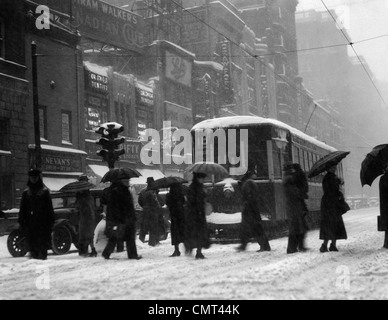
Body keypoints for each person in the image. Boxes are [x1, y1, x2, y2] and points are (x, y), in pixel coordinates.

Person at [18, 168, 55, 260]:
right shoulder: (26, 193)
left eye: (35, 177)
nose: (34, 179)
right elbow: (22, 210)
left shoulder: (44, 192)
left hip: (43, 226)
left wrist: (50, 223)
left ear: (39, 178)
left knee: (42, 251)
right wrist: (22, 223)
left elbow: (49, 209)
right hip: (30, 226)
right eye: (32, 177)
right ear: (29, 178)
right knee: (33, 251)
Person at [102, 176, 141, 260]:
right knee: (129, 237)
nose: (128, 182)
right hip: (125, 218)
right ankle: (132, 255)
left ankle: (106, 252)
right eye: (126, 181)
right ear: (121, 181)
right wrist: (129, 216)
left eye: (128, 181)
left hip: (117, 218)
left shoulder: (113, 190)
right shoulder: (122, 190)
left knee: (115, 236)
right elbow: (126, 205)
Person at [237, 172, 271, 252]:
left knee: (254, 228)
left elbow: (250, 196)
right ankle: (264, 246)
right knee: (253, 228)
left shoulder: (248, 183)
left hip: (250, 210)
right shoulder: (247, 183)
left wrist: (247, 204)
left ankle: (263, 246)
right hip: (252, 209)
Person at [319, 165, 348, 253]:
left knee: (329, 225)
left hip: (328, 204)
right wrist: (339, 191)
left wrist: (338, 182)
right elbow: (332, 191)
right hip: (332, 205)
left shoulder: (328, 178)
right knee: (333, 225)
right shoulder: (330, 178)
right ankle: (329, 245)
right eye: (332, 167)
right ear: (328, 168)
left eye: (334, 167)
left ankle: (327, 245)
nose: (334, 168)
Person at [283, 163, 309, 254]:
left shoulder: (289, 180)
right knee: (296, 227)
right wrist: (302, 193)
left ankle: (295, 247)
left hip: (294, 206)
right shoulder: (289, 181)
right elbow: (294, 193)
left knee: (298, 227)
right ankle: (292, 248)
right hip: (294, 207)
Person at [184, 172, 210, 259]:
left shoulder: (198, 187)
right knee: (197, 233)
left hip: (197, 214)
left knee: (198, 233)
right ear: (198, 178)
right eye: (202, 178)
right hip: (195, 214)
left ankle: (198, 251)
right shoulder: (194, 188)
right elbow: (193, 201)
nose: (203, 180)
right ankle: (194, 249)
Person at [75, 183, 97, 257]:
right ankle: (92, 250)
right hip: (90, 218)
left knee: (84, 235)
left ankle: (84, 251)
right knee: (89, 235)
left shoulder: (83, 198)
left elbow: (80, 207)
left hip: (85, 219)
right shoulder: (89, 197)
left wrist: (78, 199)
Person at [138, 177, 162, 247]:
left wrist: (144, 206)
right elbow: (156, 202)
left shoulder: (142, 191)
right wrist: (158, 208)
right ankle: (152, 243)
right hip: (153, 211)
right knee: (153, 227)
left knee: (143, 228)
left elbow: (140, 201)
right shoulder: (153, 191)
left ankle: (140, 242)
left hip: (145, 211)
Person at [101, 185, 124, 253]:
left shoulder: (106, 191)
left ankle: (109, 250)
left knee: (111, 233)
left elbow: (104, 204)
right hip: (119, 214)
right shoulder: (121, 190)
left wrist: (104, 213)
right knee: (119, 232)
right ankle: (120, 248)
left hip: (110, 215)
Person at [166, 183, 186, 257]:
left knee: (175, 233)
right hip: (181, 215)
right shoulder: (180, 194)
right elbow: (183, 202)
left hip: (174, 216)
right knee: (182, 231)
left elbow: (168, 204)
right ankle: (187, 247)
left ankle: (176, 250)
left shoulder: (170, 195)